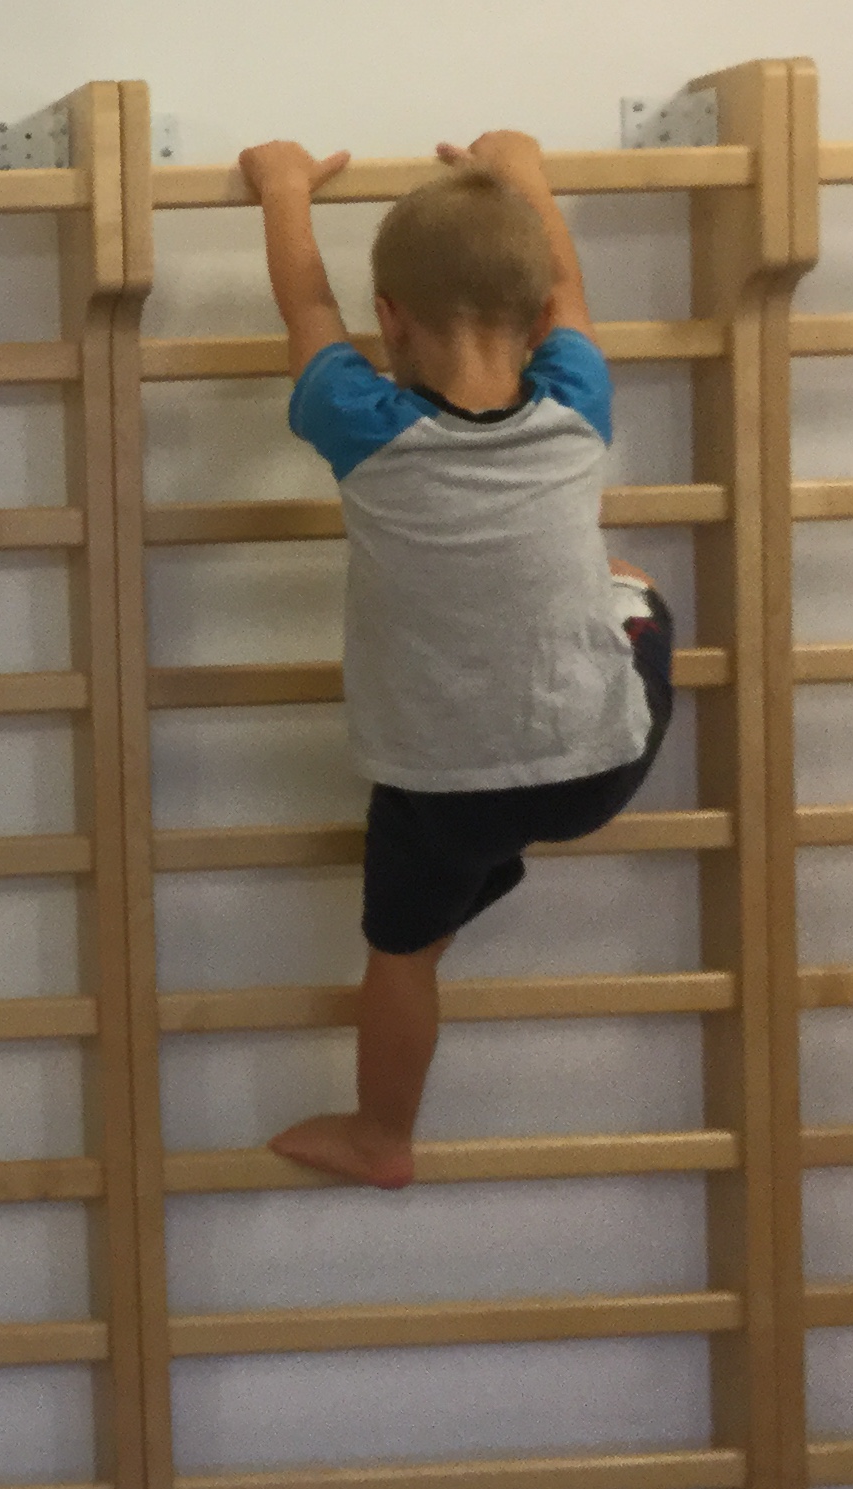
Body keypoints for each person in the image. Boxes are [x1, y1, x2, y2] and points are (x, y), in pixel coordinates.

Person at [241, 128, 675, 1189]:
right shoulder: (576, 396)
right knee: (637, 591)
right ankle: (628, 598)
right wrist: (524, 173)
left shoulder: (361, 422)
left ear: (389, 319)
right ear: (536, 319)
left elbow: (308, 310)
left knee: (400, 952)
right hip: (596, 767)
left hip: (438, 786)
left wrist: (285, 189)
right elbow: (568, 288)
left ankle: (381, 1136)